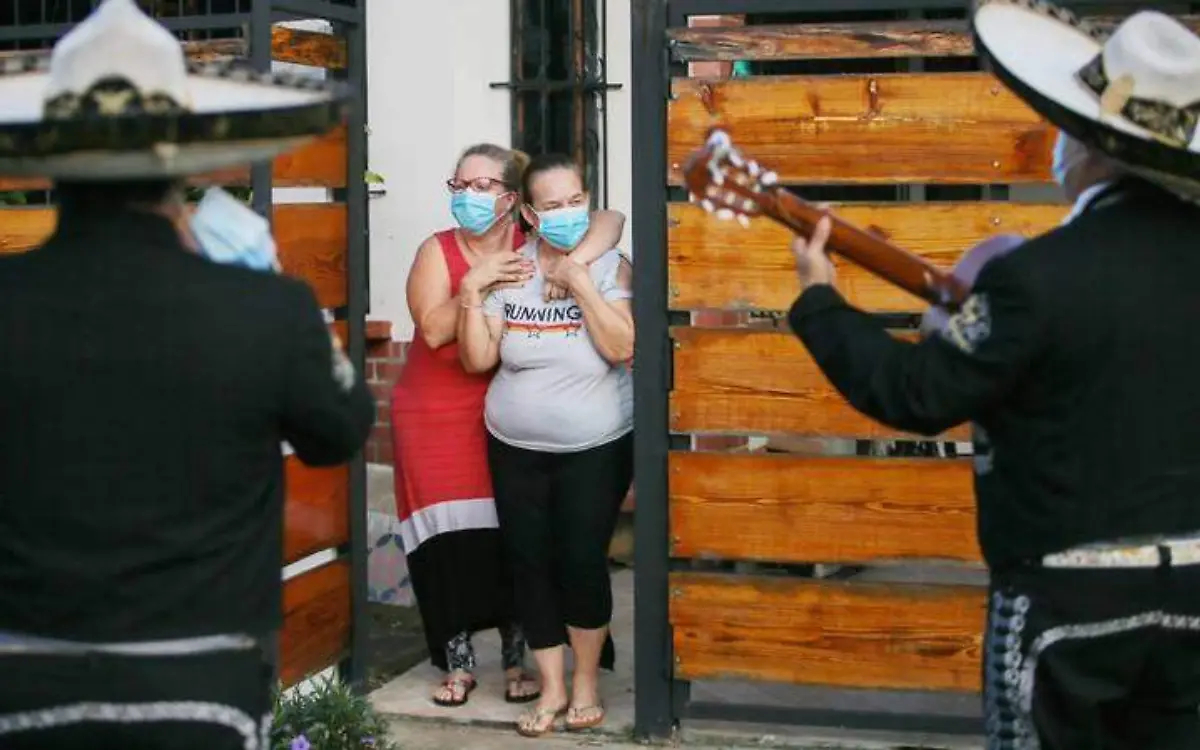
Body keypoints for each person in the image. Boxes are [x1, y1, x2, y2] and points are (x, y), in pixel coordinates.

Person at [785, 4, 1200, 748]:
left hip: (1068, 594)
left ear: (1090, 142)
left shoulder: (1036, 278)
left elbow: (915, 394)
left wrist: (820, 300)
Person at [0, 2, 374, 748]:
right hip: (202, 681)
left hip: (24, 674)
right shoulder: (264, 306)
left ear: (48, 162)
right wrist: (284, 306)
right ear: (184, 160)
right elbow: (341, 429)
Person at [393, 143, 628, 708]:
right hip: (442, 409)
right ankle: (459, 660)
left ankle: (519, 660)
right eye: (459, 186)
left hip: (514, 412)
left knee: (517, 543)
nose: (467, 197)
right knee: (454, 540)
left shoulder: (542, 245)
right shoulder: (442, 251)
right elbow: (431, 331)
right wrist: (476, 285)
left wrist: (570, 267)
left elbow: (610, 221)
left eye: (480, 186)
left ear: (513, 201)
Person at [458, 153, 634, 737]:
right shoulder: (511, 268)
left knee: (582, 563)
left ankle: (585, 682)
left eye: (574, 201)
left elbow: (622, 347)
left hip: (596, 446)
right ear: (530, 213)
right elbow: (478, 358)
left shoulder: (609, 264)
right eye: (552, 205)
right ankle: (552, 687)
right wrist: (472, 292)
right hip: (513, 445)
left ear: (588, 201)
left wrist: (580, 281)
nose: (566, 213)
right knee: (529, 565)